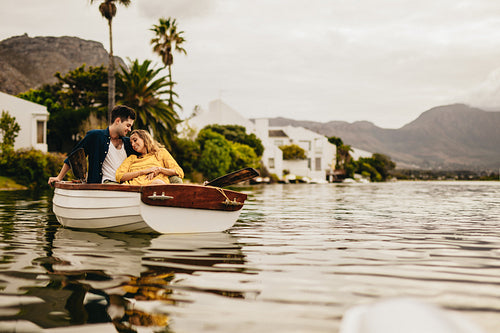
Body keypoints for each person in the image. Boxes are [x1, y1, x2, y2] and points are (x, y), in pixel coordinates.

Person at [48, 105, 137, 185]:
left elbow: (144, 157)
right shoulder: (95, 136)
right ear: (118, 121)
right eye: (128, 125)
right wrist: (59, 177)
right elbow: (74, 157)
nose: (129, 129)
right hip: (100, 188)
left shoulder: (129, 143)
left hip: (126, 187)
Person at [116, 129, 184, 185]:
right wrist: (144, 171)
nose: (133, 144)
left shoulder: (160, 152)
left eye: (135, 140)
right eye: (131, 143)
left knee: (157, 183)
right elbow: (120, 176)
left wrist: (159, 169)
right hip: (134, 187)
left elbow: (179, 171)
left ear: (144, 138)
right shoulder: (132, 158)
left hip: (155, 186)